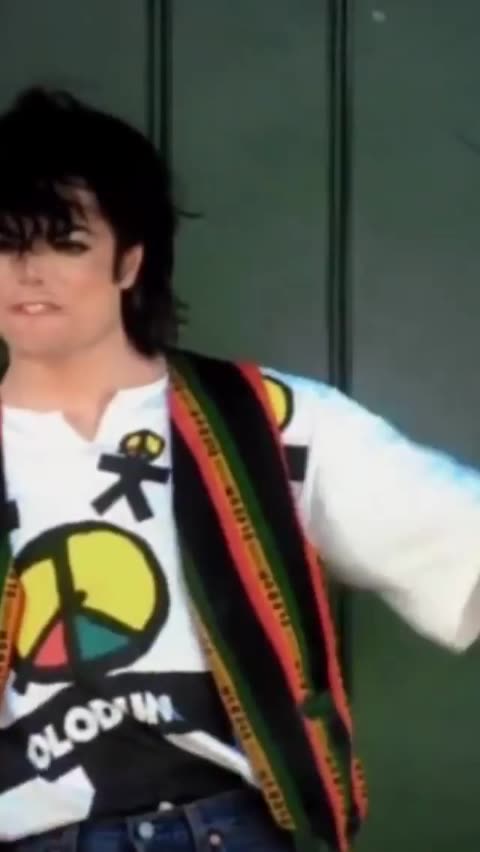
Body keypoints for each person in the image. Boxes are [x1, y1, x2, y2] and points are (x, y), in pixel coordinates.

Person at [0, 88, 478, 852]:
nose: (29, 271)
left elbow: (458, 537)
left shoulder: (262, 419)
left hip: (224, 831)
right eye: (5, 243)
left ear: (129, 260)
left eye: (66, 242)